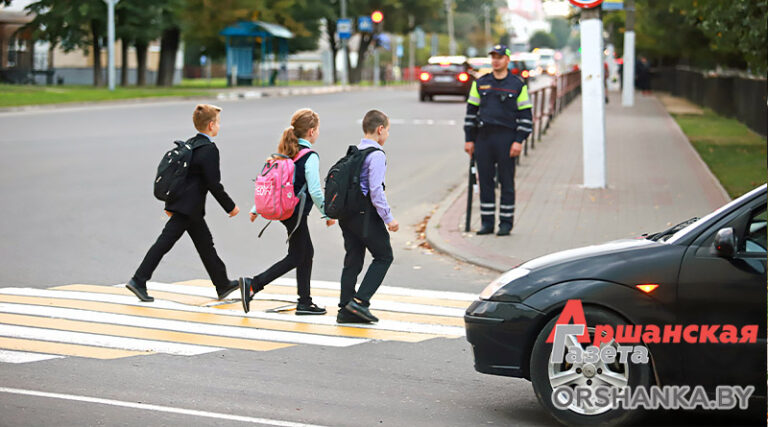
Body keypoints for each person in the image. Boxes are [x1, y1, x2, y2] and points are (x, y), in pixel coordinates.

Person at [126, 104, 240, 302]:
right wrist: (230, 207)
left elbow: (180, 178)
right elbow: (214, 184)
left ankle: (222, 284)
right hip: (189, 209)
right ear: (211, 125)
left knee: (205, 245)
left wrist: (170, 205)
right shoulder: (209, 150)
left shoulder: (191, 144)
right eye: (218, 123)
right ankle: (138, 280)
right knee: (165, 243)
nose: (219, 127)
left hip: (186, 207)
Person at [239, 108, 335, 315]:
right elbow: (316, 190)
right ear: (311, 131)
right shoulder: (309, 156)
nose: (318, 133)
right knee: (298, 255)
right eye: (317, 129)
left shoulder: (288, 150)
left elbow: (274, 183)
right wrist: (327, 213)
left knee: (305, 253)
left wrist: (257, 208)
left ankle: (305, 301)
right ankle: (254, 284)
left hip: (287, 211)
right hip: (295, 212)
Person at [335, 110, 398, 324]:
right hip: (365, 215)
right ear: (380, 129)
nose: (387, 135)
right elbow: (376, 191)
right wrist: (389, 219)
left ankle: (345, 309)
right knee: (384, 256)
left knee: (353, 260)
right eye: (387, 130)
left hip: (347, 215)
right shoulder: (376, 154)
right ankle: (360, 303)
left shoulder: (354, 151)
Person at [463, 44, 533, 236]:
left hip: (507, 139)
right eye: (493, 57)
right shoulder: (480, 83)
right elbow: (471, 113)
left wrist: (519, 140)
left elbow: (526, 116)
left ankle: (505, 223)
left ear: (507, 60)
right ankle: (487, 223)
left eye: (500, 57)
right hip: (483, 138)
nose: (496, 60)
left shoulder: (517, 85)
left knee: (506, 182)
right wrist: (469, 139)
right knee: (485, 181)